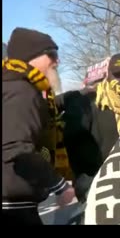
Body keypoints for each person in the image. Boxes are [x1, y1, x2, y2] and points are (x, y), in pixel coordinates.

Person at [2, 27, 75, 225]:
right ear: (32, 57)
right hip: (13, 204)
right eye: (51, 54)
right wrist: (59, 185)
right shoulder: (20, 90)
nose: (56, 61)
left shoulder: (12, 86)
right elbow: (16, 148)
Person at [59, 53, 120, 204]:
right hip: (95, 186)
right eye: (118, 74)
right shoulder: (89, 101)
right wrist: (85, 182)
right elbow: (73, 142)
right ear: (108, 75)